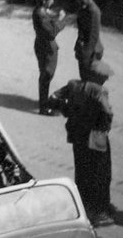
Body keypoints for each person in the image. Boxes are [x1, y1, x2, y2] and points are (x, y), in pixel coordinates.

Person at [50, 60, 115, 226]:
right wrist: (106, 126)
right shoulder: (99, 90)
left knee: (82, 170)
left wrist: (67, 111)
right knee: (100, 173)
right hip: (96, 136)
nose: (106, 80)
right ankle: (98, 212)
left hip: (77, 133)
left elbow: (53, 98)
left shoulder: (73, 85)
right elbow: (106, 112)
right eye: (104, 77)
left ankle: (82, 205)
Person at [33, 0, 73, 115]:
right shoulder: (40, 13)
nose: (52, 2)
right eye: (51, 0)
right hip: (46, 47)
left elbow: (48, 13)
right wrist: (62, 20)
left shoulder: (41, 10)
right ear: (45, 0)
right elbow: (52, 32)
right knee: (47, 74)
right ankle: (43, 107)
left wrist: (56, 15)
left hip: (43, 45)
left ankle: (43, 100)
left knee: (45, 74)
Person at [74, 0, 104, 80]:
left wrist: (85, 56)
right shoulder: (83, 8)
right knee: (84, 79)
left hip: (92, 52)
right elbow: (81, 31)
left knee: (90, 82)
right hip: (84, 50)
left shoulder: (94, 11)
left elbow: (93, 36)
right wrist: (78, 47)